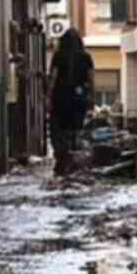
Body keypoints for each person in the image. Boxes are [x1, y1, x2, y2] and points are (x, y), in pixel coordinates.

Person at [47, 28, 94, 177]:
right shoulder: (86, 57)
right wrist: (91, 97)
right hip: (79, 98)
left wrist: (48, 97)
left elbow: (53, 78)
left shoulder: (58, 56)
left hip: (60, 98)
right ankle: (74, 158)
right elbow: (91, 79)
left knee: (59, 128)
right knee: (76, 128)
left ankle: (62, 158)